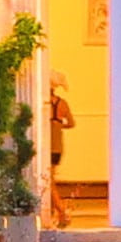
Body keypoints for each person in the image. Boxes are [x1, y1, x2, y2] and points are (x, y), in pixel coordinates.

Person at [45, 76, 78, 229]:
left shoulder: (44, 105)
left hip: (47, 145)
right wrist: (59, 126)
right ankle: (55, 213)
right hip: (58, 145)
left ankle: (62, 211)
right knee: (51, 179)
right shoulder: (62, 103)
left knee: (48, 181)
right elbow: (71, 123)